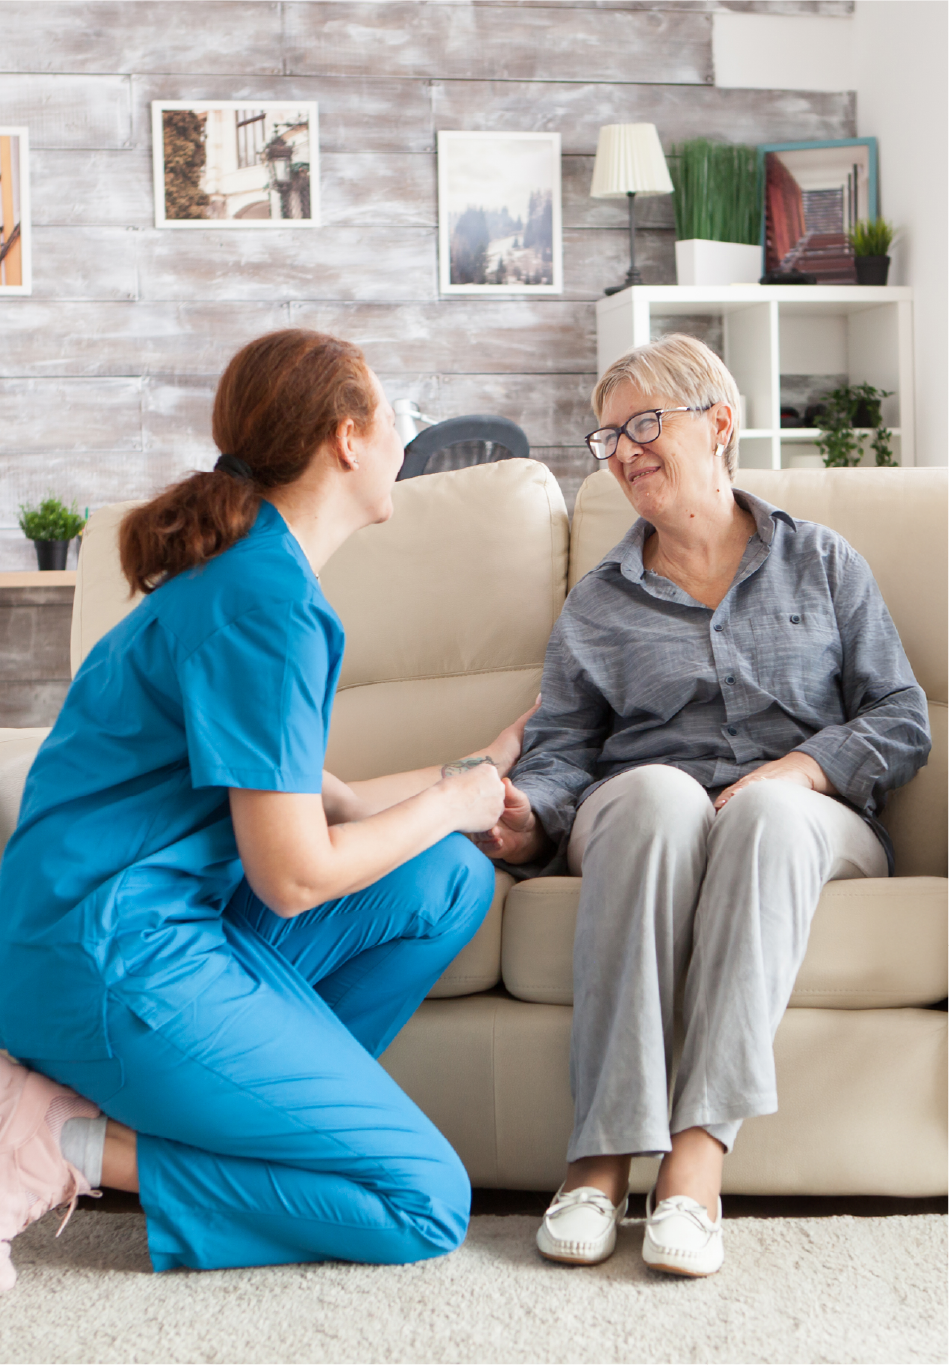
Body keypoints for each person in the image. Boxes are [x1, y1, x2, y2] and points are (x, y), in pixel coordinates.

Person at [0, 329, 537, 1292]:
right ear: (345, 437)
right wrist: (454, 800)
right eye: (393, 416)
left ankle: (274, 1113)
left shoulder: (249, 576)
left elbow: (330, 801)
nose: (402, 439)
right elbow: (291, 878)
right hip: (109, 960)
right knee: (422, 1200)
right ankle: (66, 1140)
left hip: (129, 935)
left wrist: (475, 774)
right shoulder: (267, 606)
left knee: (449, 874)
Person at [474, 333, 930, 1278]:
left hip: (806, 818)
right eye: (607, 438)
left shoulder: (822, 564)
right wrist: (529, 818)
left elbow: (901, 715)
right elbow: (561, 755)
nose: (624, 449)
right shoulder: (597, 602)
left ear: (718, 424)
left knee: (760, 814)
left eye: (644, 422)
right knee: (657, 795)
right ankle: (597, 1160)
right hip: (642, 808)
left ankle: (693, 1165)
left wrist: (800, 770)